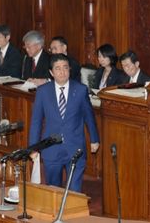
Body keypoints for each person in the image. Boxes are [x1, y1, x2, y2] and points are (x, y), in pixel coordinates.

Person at [29, 54, 100, 193]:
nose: (62, 72)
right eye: (58, 69)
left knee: (74, 193)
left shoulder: (80, 90)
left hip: (75, 148)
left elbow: (89, 116)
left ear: (70, 69)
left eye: (65, 68)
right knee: (54, 191)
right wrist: (34, 147)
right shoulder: (43, 91)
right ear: (51, 72)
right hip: (51, 149)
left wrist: (94, 139)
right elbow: (36, 121)